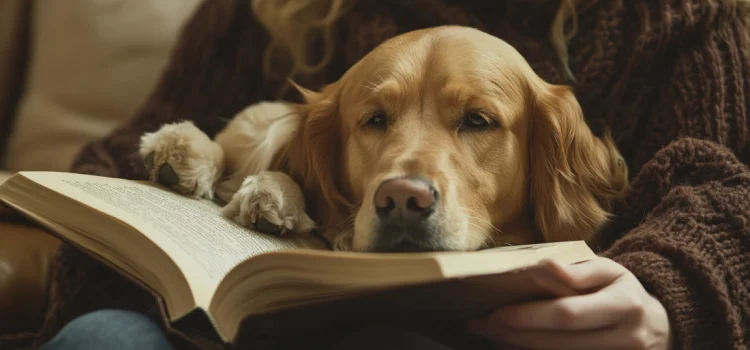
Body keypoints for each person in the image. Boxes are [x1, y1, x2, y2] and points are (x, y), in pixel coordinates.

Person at [22, 0, 750, 349]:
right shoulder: (264, 14)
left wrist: (666, 297)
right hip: (244, 332)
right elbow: (132, 152)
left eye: (475, 122)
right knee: (102, 342)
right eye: (376, 122)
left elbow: (724, 192)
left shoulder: (683, 18)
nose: (409, 179)